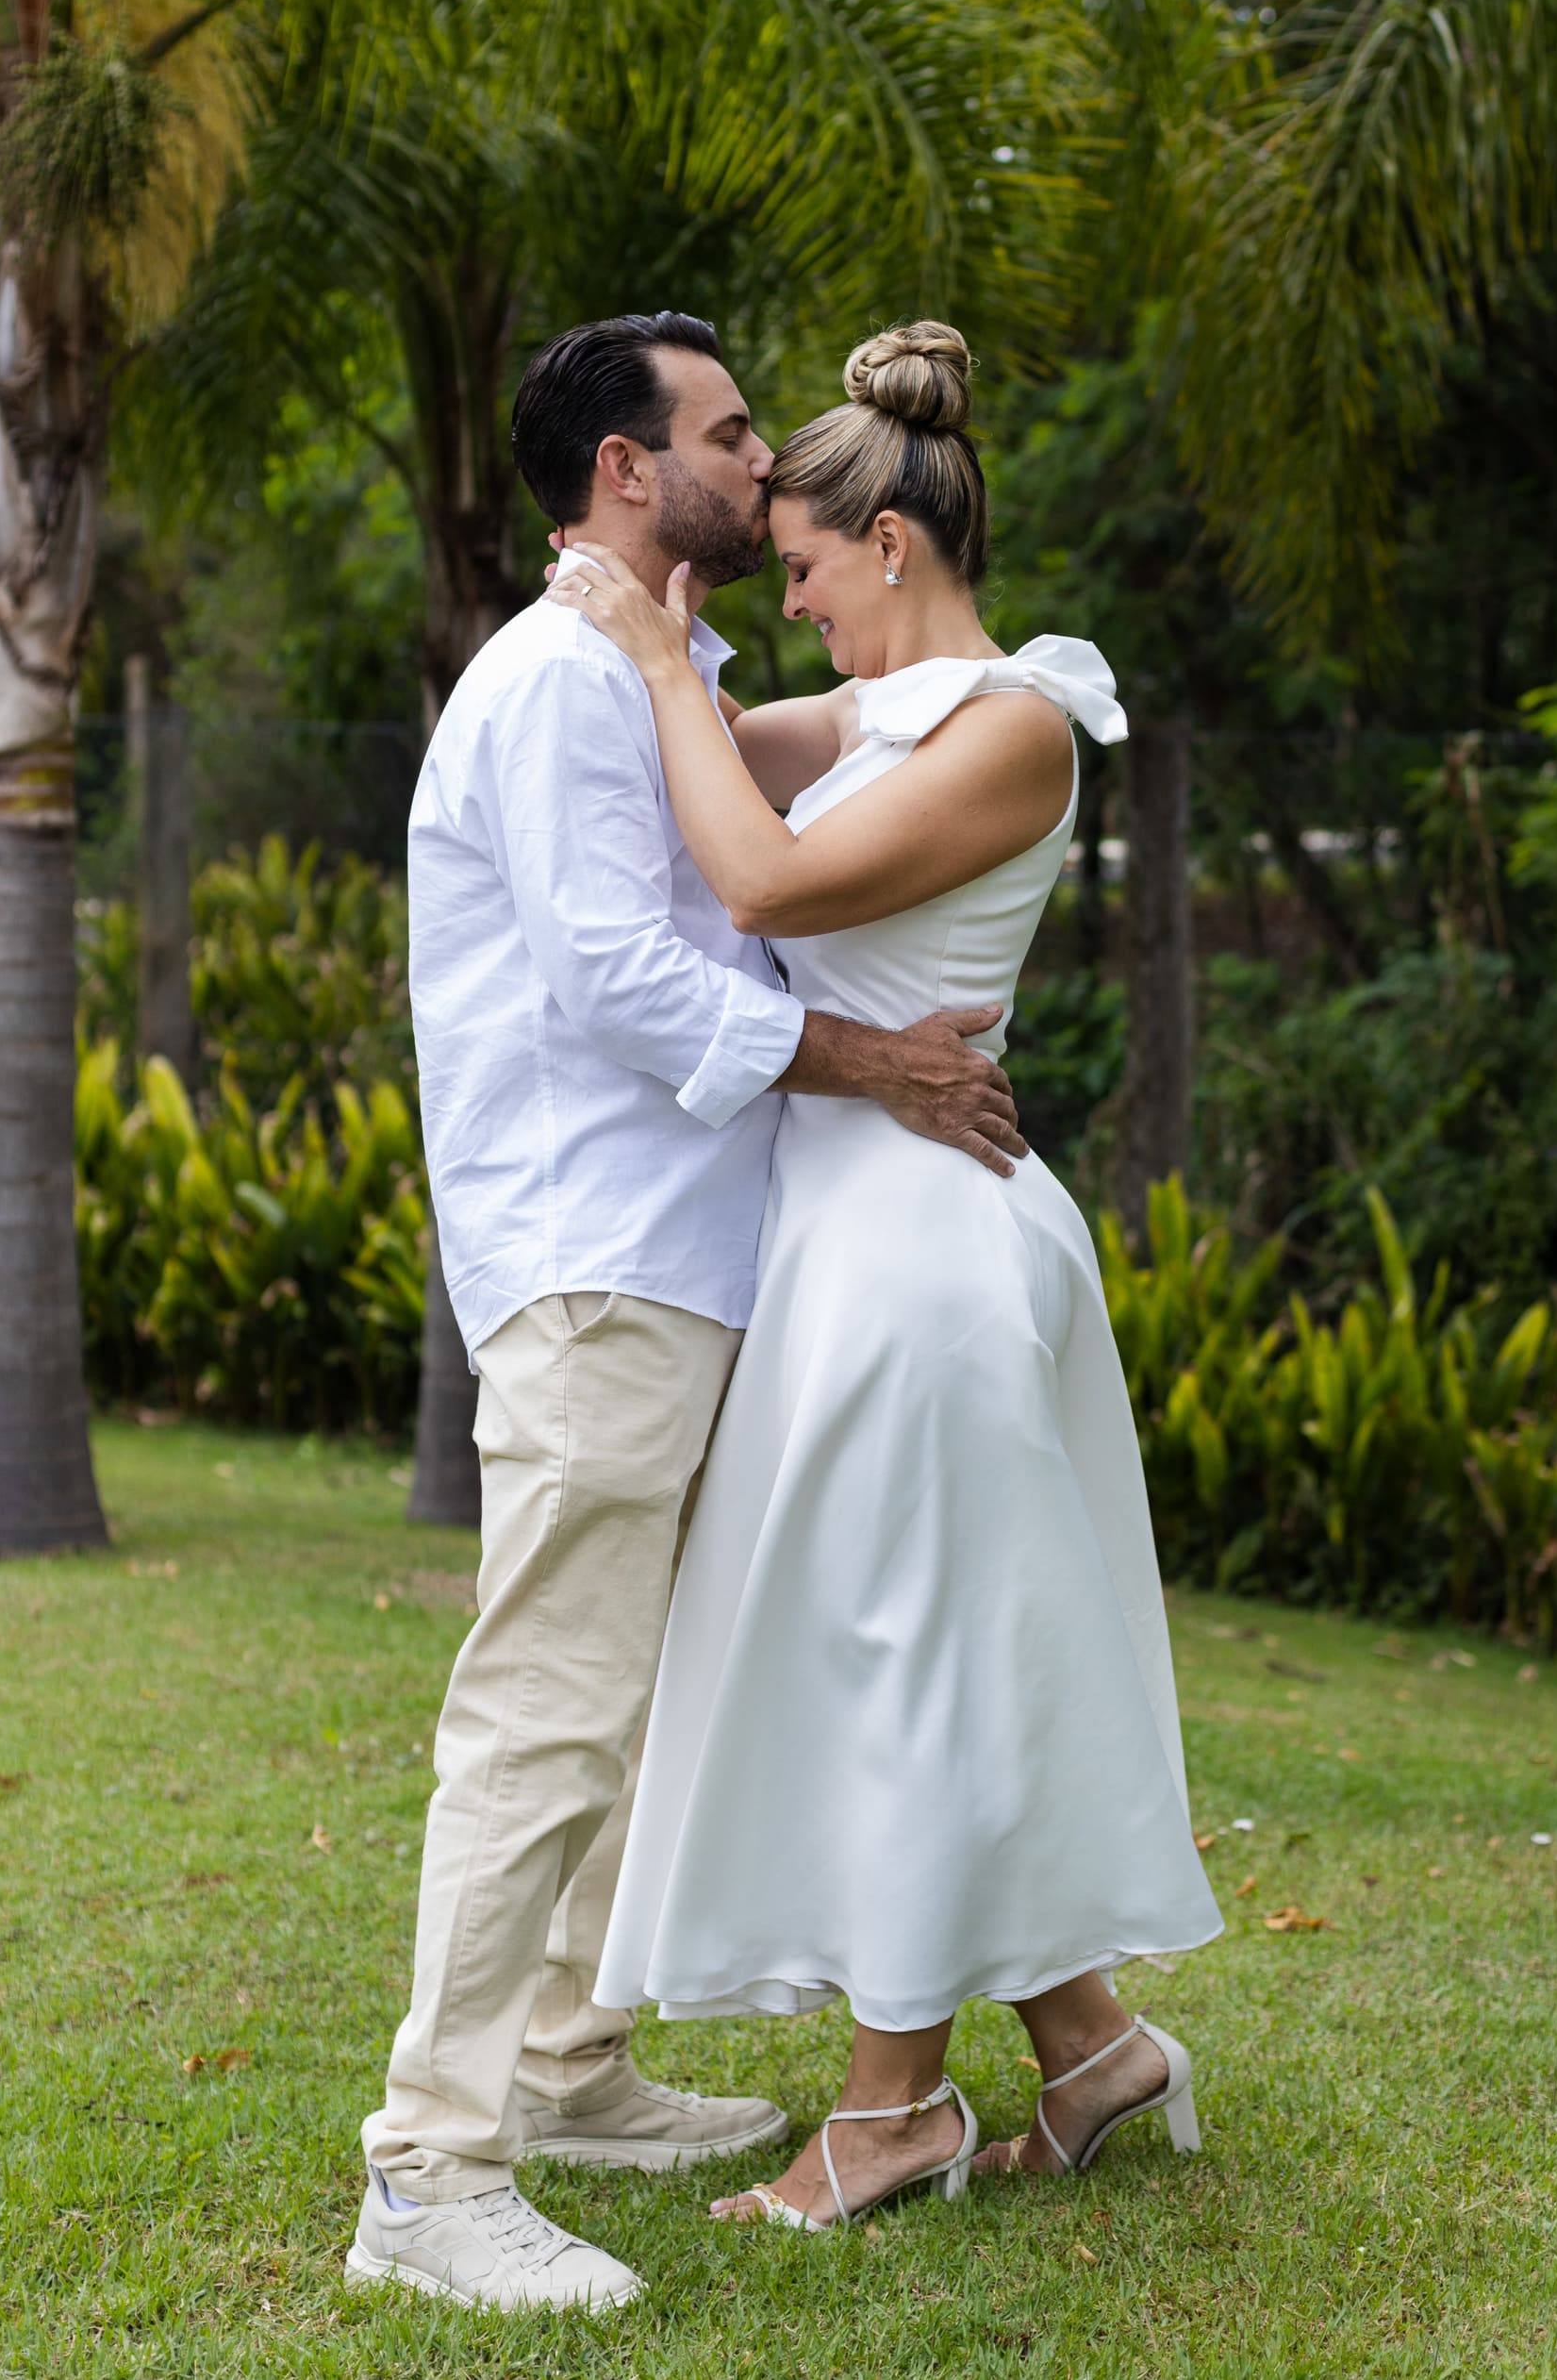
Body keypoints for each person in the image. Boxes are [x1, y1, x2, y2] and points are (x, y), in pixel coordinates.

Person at [346, 312, 1029, 2315]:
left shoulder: (677, 676)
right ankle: (430, 2169)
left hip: (695, 1256)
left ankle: (566, 2066)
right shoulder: (563, 678)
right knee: (546, 1705)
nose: (766, 466)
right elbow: (618, 981)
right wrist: (879, 1066)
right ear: (627, 471)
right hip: (598, 1256)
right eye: (730, 434)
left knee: (630, 1704)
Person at [552, 318, 1223, 2232]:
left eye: (805, 572)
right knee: (913, 1643)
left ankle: (890, 2110)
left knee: (909, 1652)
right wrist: (635, 633)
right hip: (847, 1228)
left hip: (932, 1243)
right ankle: (1092, 2051)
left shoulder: (1015, 726)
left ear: (894, 548)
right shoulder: (885, 717)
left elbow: (758, 880)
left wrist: (649, 652)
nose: (793, 609)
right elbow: (699, 753)